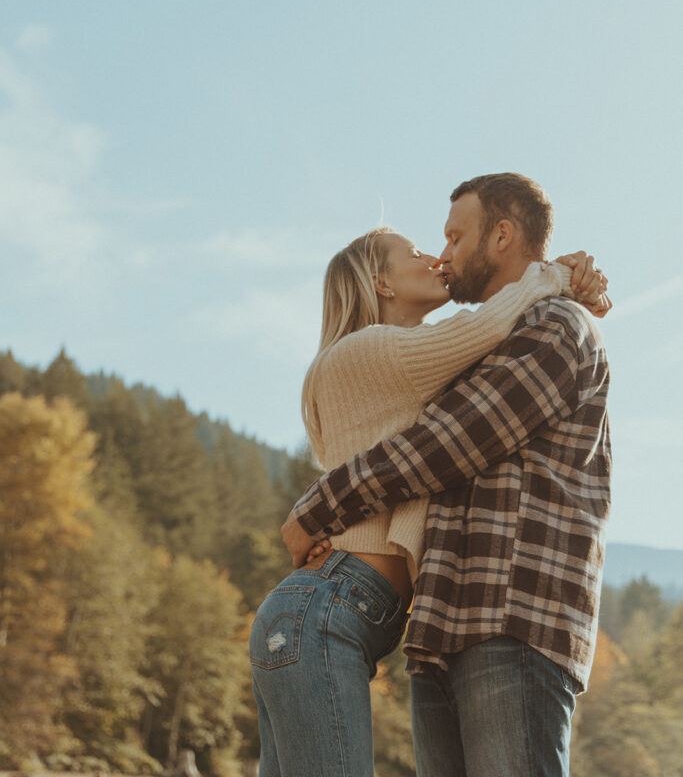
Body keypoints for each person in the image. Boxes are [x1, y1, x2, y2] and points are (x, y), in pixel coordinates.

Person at [253, 179, 609, 777]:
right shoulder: (401, 353)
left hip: (511, 622)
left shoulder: (553, 327)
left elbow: (443, 446)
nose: (440, 256)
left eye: (451, 237)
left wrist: (318, 508)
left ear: (501, 236)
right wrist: (561, 274)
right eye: (426, 246)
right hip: (434, 631)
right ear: (382, 283)